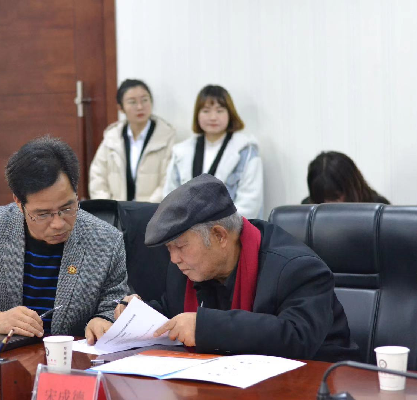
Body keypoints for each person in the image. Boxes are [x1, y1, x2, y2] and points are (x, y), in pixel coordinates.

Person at [116, 174, 359, 362]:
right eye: (169, 249)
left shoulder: (297, 268)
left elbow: (296, 337)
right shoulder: (187, 268)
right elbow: (174, 314)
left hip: (318, 381)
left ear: (220, 236)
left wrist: (206, 327)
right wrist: (135, 314)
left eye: (180, 246)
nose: (174, 259)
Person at [0, 137, 128, 344]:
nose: (58, 223)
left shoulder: (106, 241)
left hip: (69, 359)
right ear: (19, 203)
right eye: (43, 214)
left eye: (67, 208)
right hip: (2, 358)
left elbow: (114, 305)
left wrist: (104, 320)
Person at [163, 85, 263, 218]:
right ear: (197, 114)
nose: (213, 117)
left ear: (230, 114)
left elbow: (250, 204)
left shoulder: (246, 150)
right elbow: (169, 197)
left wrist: (215, 226)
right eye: (206, 111)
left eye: (220, 111)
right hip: (186, 227)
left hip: (230, 228)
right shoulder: (181, 151)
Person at [89, 79, 176, 202]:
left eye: (144, 100)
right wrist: (109, 207)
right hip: (116, 211)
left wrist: (147, 209)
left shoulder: (166, 137)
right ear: (120, 108)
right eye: (132, 102)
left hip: (154, 210)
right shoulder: (111, 138)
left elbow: (169, 181)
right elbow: (97, 178)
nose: (140, 107)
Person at [302, 151, 390, 204]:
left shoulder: (379, 210)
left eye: (334, 197)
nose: (327, 203)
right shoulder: (307, 209)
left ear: (351, 189)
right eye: (320, 199)